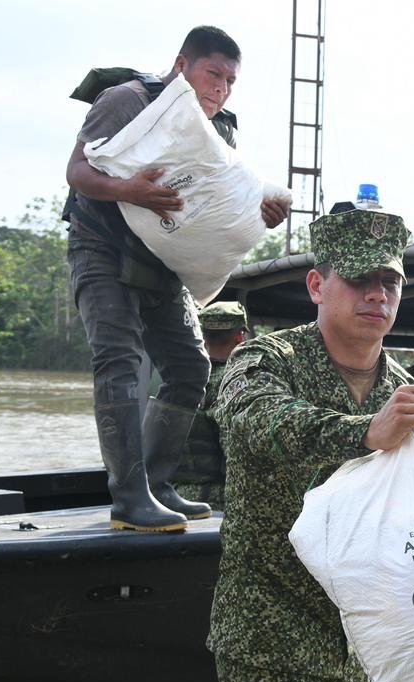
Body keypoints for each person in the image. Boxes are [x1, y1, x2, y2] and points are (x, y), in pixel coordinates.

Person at [208, 206, 414, 682]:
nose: (377, 295)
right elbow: (256, 422)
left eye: (389, 283)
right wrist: (366, 432)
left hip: (354, 638)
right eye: (360, 279)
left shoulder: (403, 388)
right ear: (318, 285)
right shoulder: (266, 360)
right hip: (269, 629)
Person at [65, 25, 288, 533]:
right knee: (118, 362)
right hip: (103, 249)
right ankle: (129, 498)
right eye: (213, 74)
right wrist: (130, 190)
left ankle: (159, 484)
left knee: (190, 367)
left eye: (231, 81)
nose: (221, 89)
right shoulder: (127, 99)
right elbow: (77, 171)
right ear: (182, 65)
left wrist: (261, 214)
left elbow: (218, 202)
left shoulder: (220, 129)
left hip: (163, 264)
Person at [171, 301, 247, 511]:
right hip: (216, 499)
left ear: (204, 337)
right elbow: (237, 451)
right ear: (240, 336)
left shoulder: (179, 379)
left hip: (174, 495)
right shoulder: (234, 381)